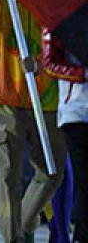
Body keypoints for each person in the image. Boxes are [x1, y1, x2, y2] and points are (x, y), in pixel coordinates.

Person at [0, 0, 67, 243]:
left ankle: (25, 223)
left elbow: (65, 46)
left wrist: (40, 65)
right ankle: (13, 238)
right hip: (7, 98)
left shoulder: (53, 3)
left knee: (52, 172)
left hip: (47, 99)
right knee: (8, 176)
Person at [43, 32, 86, 242]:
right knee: (82, 177)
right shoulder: (61, 18)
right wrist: (82, 74)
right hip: (75, 111)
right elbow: (49, 62)